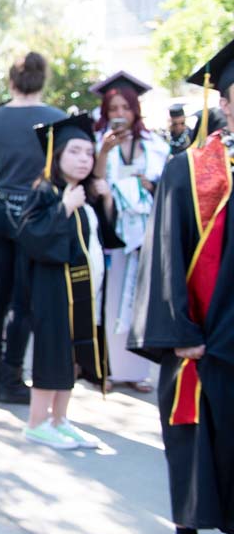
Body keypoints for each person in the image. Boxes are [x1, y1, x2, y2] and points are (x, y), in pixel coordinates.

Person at [130, 39, 234, 534]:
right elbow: (166, 254)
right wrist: (178, 332)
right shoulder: (191, 171)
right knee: (194, 435)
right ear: (227, 104)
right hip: (203, 337)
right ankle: (187, 532)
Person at [0, 52, 67, 403]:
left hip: (0, 212)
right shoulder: (57, 119)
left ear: (11, 80)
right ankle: (11, 378)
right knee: (24, 301)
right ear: (43, 80)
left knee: (0, 294)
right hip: (37, 213)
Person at [17, 114, 113, 449]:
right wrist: (63, 209)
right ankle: (36, 422)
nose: (84, 158)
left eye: (89, 152)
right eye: (75, 151)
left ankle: (60, 419)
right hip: (52, 290)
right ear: (56, 156)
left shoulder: (82, 192)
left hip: (81, 292)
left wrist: (104, 199)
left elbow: (104, 239)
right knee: (52, 352)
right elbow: (30, 238)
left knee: (71, 353)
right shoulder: (45, 192)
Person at [90, 71, 165, 392]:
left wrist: (150, 186)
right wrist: (104, 152)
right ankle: (105, 368)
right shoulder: (97, 142)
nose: (119, 114)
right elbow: (94, 184)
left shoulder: (154, 144)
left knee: (139, 300)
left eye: (125, 107)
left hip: (144, 234)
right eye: (113, 108)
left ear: (136, 110)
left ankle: (136, 371)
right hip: (111, 233)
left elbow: (165, 181)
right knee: (107, 299)